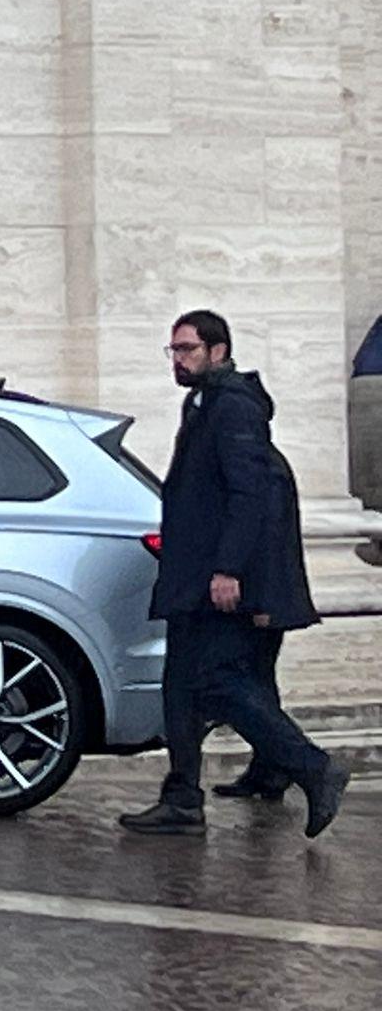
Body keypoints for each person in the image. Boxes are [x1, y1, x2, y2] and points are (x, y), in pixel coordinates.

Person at [119, 310, 350, 839]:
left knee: (214, 683)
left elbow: (249, 494)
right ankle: (191, 795)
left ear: (218, 351)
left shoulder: (233, 407)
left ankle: (313, 767)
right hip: (196, 573)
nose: (177, 360)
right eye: (174, 350)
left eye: (187, 350)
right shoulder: (204, 401)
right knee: (187, 686)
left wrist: (228, 569)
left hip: (214, 579)